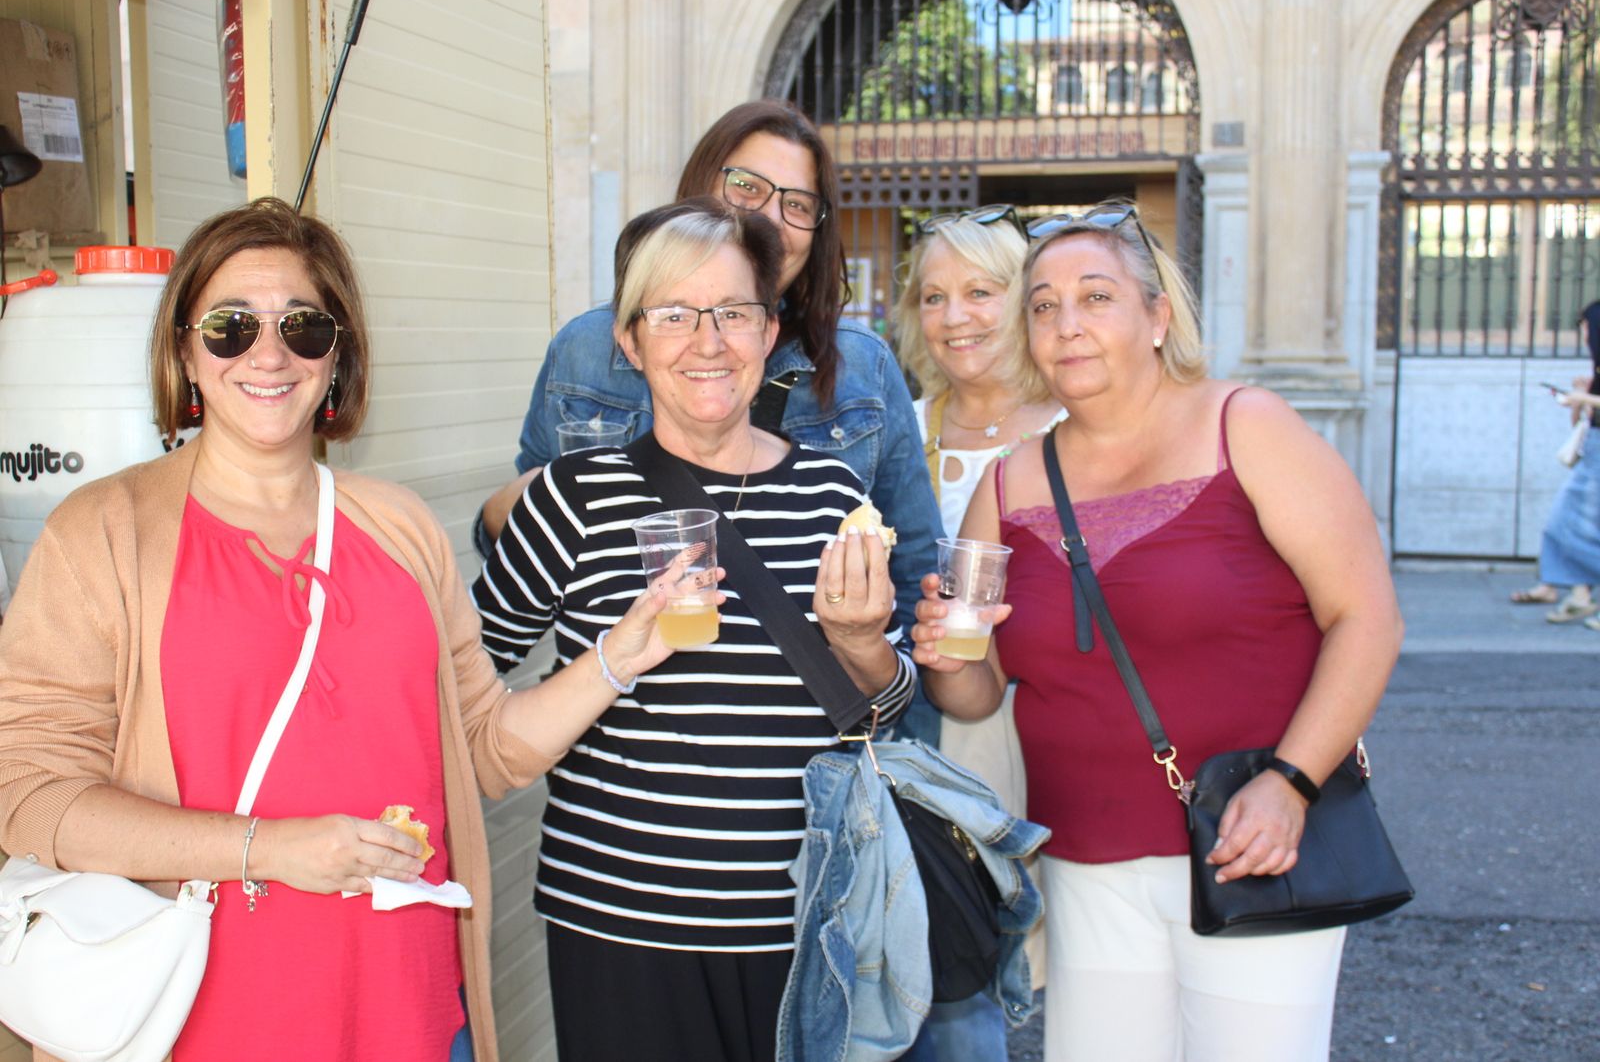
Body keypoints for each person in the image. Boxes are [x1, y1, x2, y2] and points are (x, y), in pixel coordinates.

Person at [0, 197, 682, 1062]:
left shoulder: (400, 529)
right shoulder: (102, 533)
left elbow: (483, 746)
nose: (269, 352)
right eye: (230, 326)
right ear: (185, 352)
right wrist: (267, 849)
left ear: (338, 357)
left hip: (413, 1019)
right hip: (199, 1029)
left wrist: (621, 653)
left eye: (305, 326)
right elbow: (27, 793)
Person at [908, 202, 1404, 1061]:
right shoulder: (1013, 480)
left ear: (1158, 314)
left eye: (1096, 297)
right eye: (1044, 305)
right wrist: (946, 651)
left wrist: (1292, 782)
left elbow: (1366, 618)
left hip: (1250, 843)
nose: (1067, 326)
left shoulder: (1243, 426)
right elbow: (977, 688)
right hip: (1085, 859)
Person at [471, 198, 915, 1062]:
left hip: (809, 925)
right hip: (618, 925)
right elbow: (462, 687)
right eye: (672, 314)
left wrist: (863, 643)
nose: (706, 341)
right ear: (631, 343)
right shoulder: (571, 497)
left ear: (769, 331)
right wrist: (612, 657)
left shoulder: (834, 499)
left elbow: (883, 707)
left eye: (733, 312)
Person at [476, 101, 940, 740]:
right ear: (633, 339)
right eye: (747, 187)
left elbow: (908, 598)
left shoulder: (858, 384)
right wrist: (539, 503)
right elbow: (518, 576)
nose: (769, 218)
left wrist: (892, 795)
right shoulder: (588, 350)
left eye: (798, 204)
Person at [891, 204, 1063, 1060]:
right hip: (913, 737)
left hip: (1037, 735)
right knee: (941, 969)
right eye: (934, 296)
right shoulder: (896, 430)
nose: (955, 317)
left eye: (981, 292)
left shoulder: (1075, 432)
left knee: (1072, 976)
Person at [1512, 299, 1600, 622]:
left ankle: (1572, 591)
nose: (1586, 334)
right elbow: (1583, 421)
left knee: (1570, 521)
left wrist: (1582, 397)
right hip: (1593, 447)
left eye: (1588, 327)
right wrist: (1580, 398)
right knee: (1571, 522)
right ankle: (1577, 592)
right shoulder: (1596, 369)